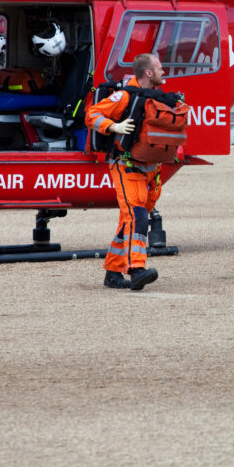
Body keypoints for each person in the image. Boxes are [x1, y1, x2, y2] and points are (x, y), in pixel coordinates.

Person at [85, 53, 167, 291]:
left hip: (152, 171)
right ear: (148, 73)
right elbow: (91, 114)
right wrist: (113, 126)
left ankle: (112, 271)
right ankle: (136, 269)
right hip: (126, 165)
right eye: (160, 68)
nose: (164, 72)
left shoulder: (158, 96)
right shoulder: (124, 96)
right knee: (137, 217)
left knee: (129, 221)